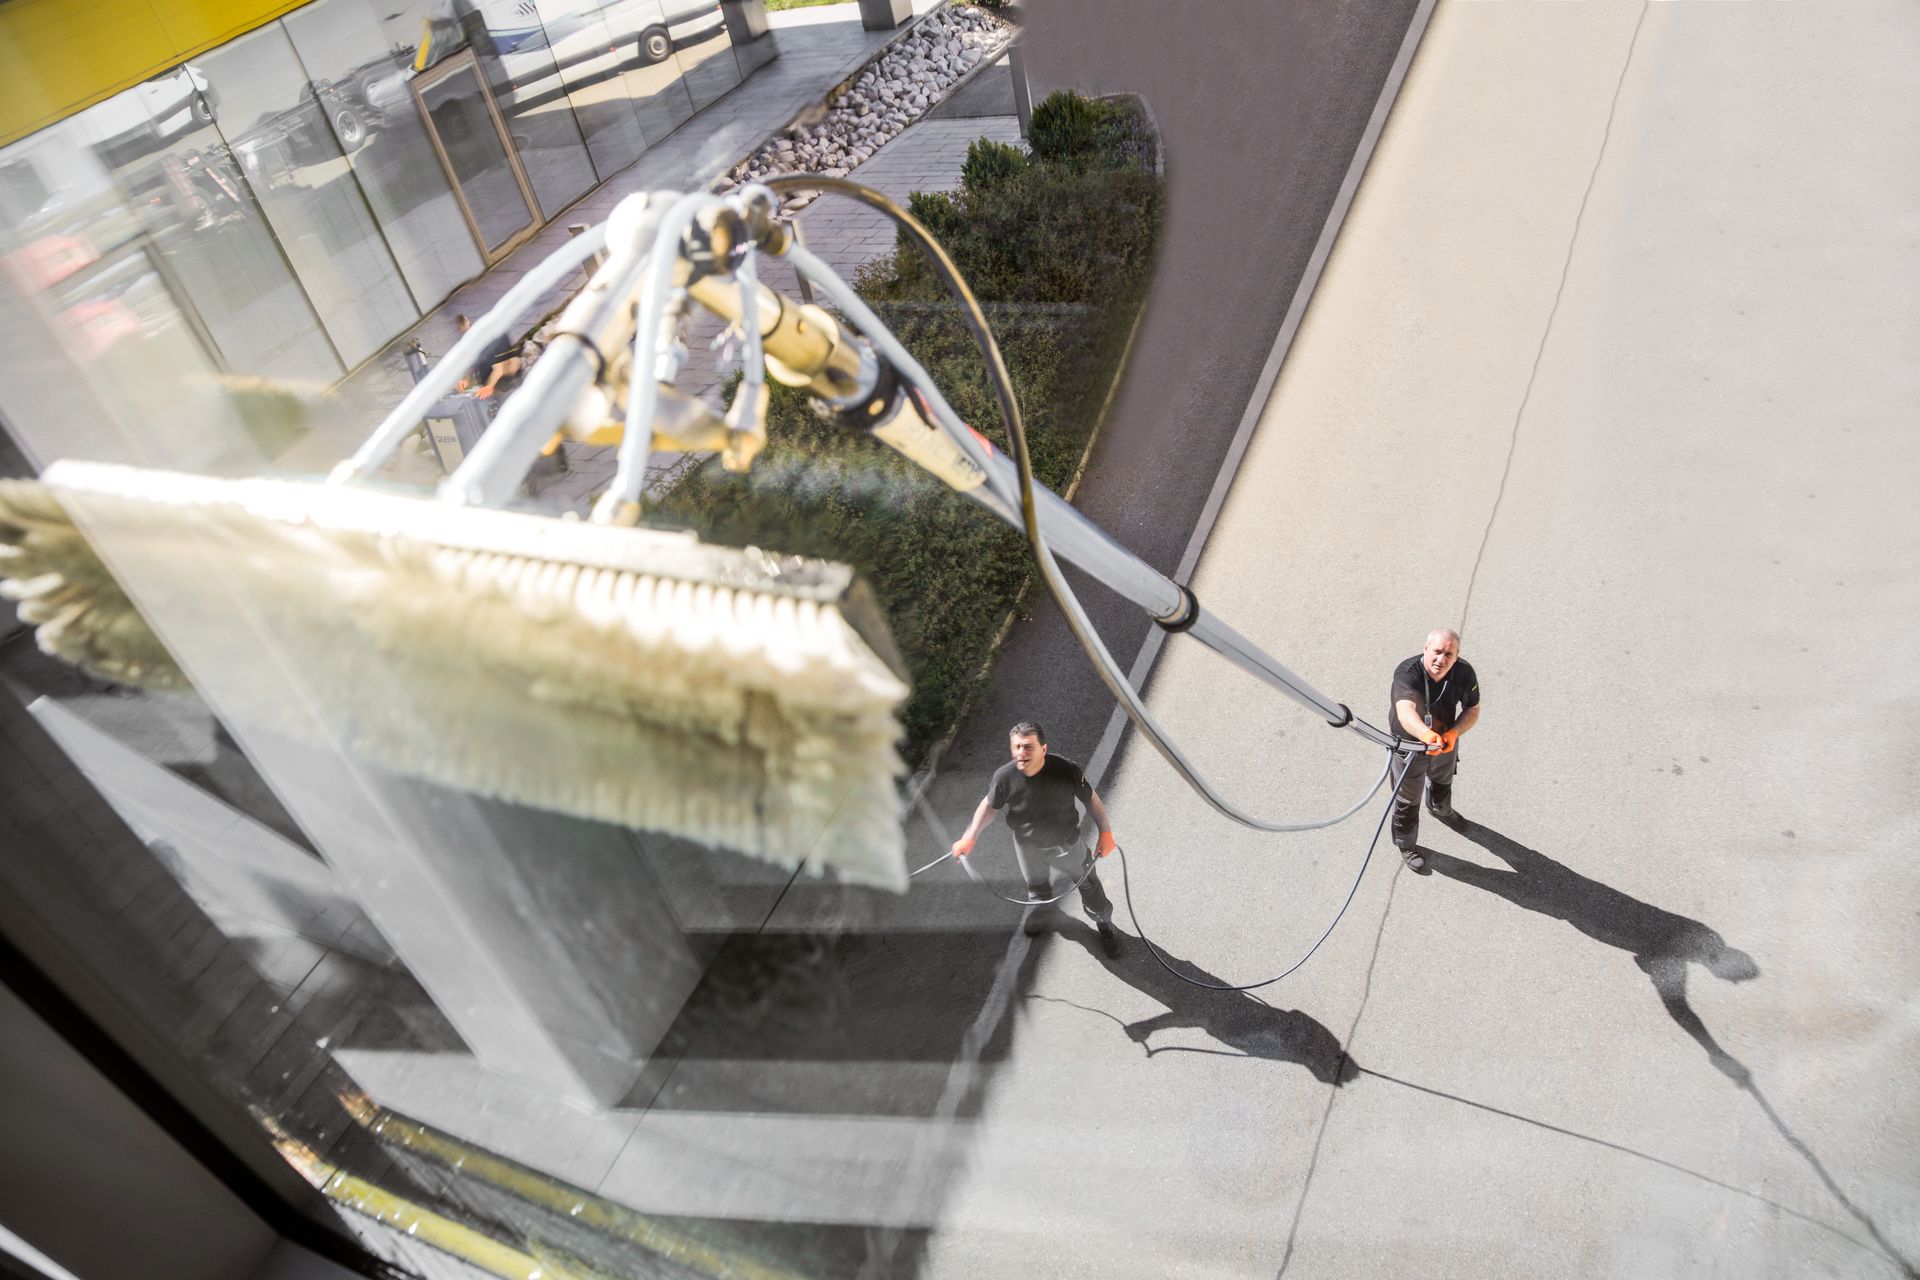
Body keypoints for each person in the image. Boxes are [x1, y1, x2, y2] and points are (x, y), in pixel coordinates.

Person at [950, 721, 1122, 956]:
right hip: (1027, 846)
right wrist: (969, 837)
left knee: (1089, 886)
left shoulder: (1066, 770)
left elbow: (1090, 799)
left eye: (1028, 746)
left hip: (1067, 843)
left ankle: (1104, 923)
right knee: (1036, 886)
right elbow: (989, 805)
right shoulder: (1004, 777)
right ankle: (1042, 909)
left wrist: (1106, 833)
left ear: (1043, 749)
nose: (1021, 753)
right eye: (1017, 747)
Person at [1389, 627, 1482, 871]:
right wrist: (1425, 735)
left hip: (1444, 741)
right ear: (1425, 649)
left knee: (1443, 780)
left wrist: (1453, 733)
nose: (1441, 659)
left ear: (1457, 655)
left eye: (1449, 654)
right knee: (1407, 801)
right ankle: (1405, 843)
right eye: (1437, 652)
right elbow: (1405, 711)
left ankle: (1440, 808)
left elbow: (1472, 709)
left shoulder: (1464, 672)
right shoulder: (1408, 673)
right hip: (1410, 746)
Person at [454, 314, 522, 402]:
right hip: (490, 378)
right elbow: (470, 365)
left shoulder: (494, 337)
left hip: (509, 379)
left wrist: (489, 386)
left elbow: (500, 368)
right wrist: (465, 379)